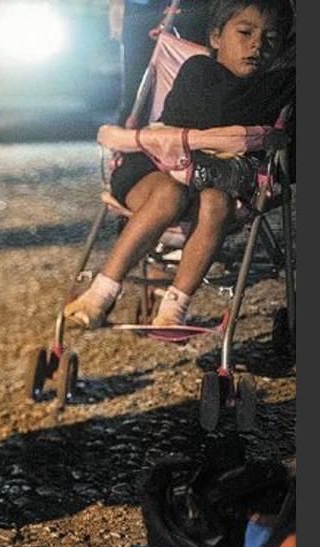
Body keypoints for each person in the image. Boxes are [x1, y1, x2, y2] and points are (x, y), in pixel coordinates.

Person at [65, 0, 294, 329]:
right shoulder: (198, 70)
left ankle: (173, 309)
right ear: (215, 39)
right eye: (245, 33)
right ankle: (101, 293)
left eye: (271, 39)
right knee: (169, 195)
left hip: (218, 185)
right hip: (155, 169)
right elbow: (214, 114)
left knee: (216, 203)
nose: (257, 45)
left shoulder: (279, 88)